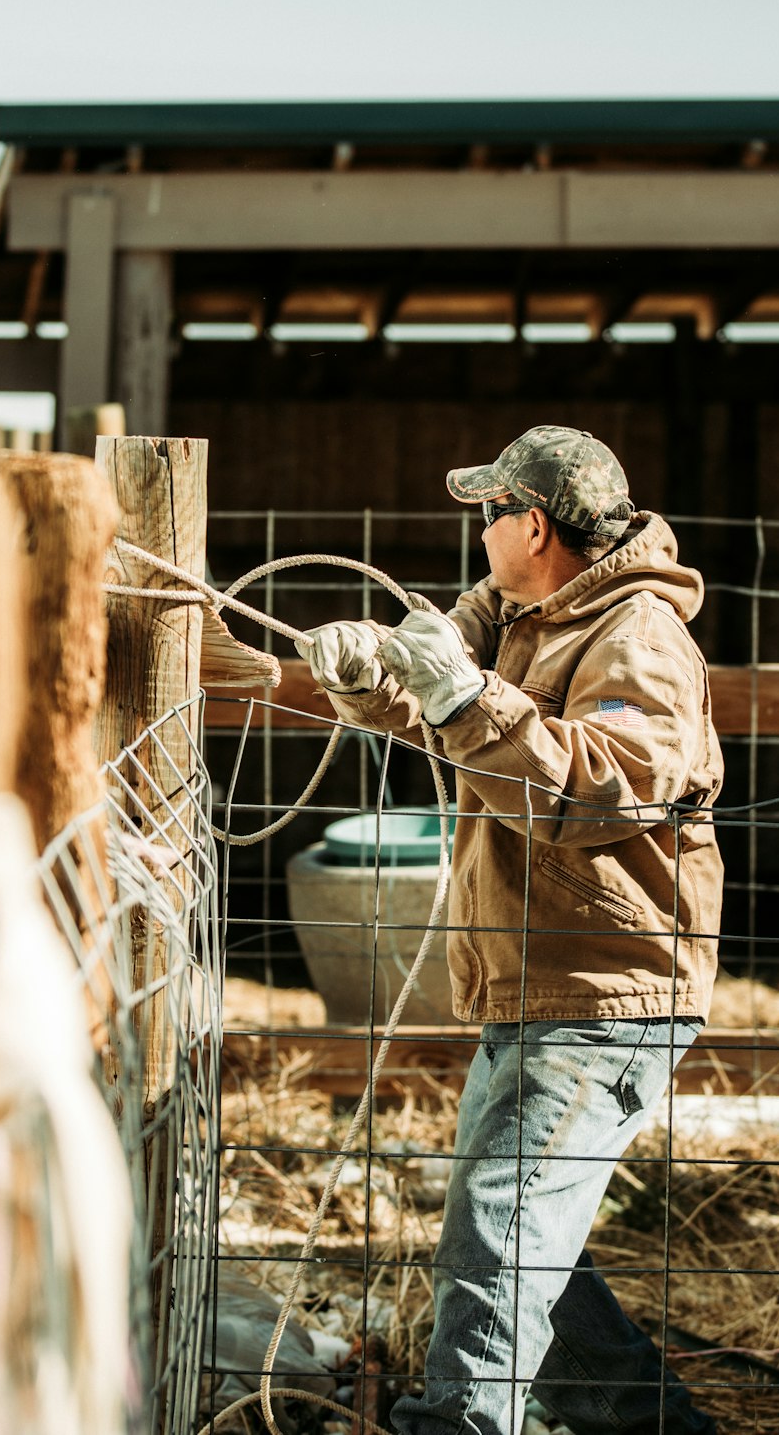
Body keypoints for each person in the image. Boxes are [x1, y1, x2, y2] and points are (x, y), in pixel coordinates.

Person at [297, 427, 724, 1435]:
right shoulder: (519, 615)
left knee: (500, 1232)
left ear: (530, 523)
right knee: (533, 1240)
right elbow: (449, 704)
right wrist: (366, 678)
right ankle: (652, 1427)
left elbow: (603, 786)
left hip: (604, 988)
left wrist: (461, 691)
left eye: (487, 511)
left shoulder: (635, 635)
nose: (477, 530)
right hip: (547, 976)